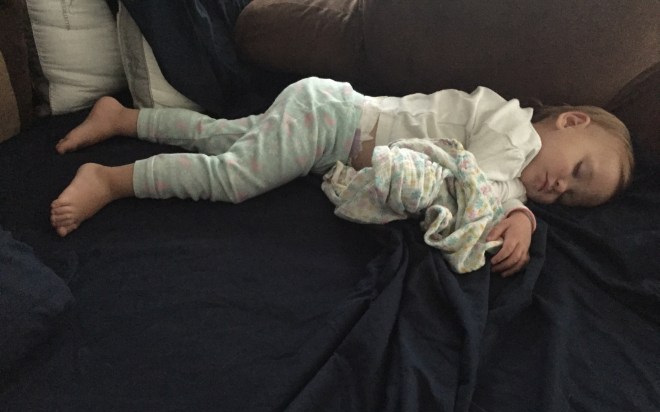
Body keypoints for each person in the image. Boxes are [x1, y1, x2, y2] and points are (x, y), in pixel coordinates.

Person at [50, 77, 634, 277]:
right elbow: (473, 186)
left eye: (572, 198)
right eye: (578, 169)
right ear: (570, 121)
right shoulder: (513, 129)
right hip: (334, 119)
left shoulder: (515, 170)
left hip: (330, 126)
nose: (560, 187)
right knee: (234, 176)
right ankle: (112, 180)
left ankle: (124, 117)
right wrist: (519, 216)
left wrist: (523, 212)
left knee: (226, 136)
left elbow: (495, 189)